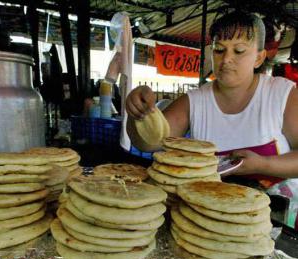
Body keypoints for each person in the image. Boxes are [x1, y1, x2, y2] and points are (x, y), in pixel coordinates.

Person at [126, 11, 298, 228]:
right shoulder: (195, 101)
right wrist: (138, 112)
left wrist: (263, 164)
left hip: (275, 221)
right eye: (219, 50)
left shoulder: (282, 95)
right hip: (208, 219)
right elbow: (148, 142)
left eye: (239, 51)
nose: (226, 59)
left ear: (259, 57)